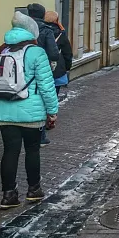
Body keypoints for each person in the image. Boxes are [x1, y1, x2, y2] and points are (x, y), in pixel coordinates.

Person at [0, 11, 58, 210]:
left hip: (5, 112)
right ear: (32, 32)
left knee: (9, 152)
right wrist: (52, 111)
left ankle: (8, 195)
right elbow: (47, 86)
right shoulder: (36, 52)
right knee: (32, 150)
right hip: (31, 113)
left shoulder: (2, 50)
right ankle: (34, 190)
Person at [39, 11, 73, 144]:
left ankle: (42, 124)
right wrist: (67, 67)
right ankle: (50, 120)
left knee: (41, 97)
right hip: (56, 70)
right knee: (53, 96)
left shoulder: (38, 31)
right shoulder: (61, 33)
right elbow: (67, 53)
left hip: (41, 69)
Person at [27, 3, 59, 145]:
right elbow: (53, 53)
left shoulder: (22, 29)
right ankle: (40, 137)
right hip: (41, 67)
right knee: (40, 98)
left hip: (23, 67)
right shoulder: (46, 30)